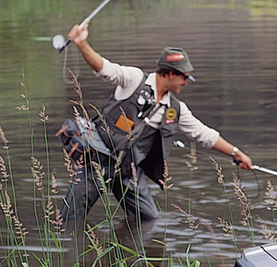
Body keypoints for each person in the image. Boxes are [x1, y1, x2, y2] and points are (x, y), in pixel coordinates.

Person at [58, 22, 252, 229]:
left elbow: (203, 134)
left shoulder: (175, 109)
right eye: (184, 77)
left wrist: (236, 153)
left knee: (148, 220)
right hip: (96, 162)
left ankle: (130, 247)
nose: (186, 82)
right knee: (69, 220)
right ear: (170, 74)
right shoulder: (134, 79)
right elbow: (105, 69)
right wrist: (82, 44)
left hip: (128, 172)